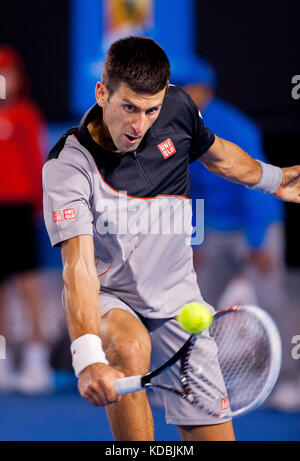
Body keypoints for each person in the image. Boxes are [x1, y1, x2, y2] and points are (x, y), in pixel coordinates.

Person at [42, 36, 300, 441]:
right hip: (111, 297)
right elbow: (78, 269)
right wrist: (88, 357)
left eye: (151, 110)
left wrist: (275, 180)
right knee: (129, 347)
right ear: (102, 93)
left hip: (178, 303)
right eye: (128, 108)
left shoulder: (179, 107)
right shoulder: (68, 166)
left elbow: (223, 159)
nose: (139, 125)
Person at [171, 55, 300, 409]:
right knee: (193, 304)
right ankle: (187, 383)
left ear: (205, 90)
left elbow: (255, 183)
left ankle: (291, 383)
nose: (182, 94)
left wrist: (258, 243)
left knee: (272, 303)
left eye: (188, 87)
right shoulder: (178, 128)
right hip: (212, 229)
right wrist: (195, 239)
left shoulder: (236, 126)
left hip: (253, 225)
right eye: (177, 88)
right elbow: (189, 190)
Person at [0, 46, 52, 393]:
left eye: (7, 73)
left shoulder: (26, 115)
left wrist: (40, 206)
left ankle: (37, 360)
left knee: (29, 285)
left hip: (20, 209)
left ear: (18, 78)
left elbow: (38, 162)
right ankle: (3, 363)